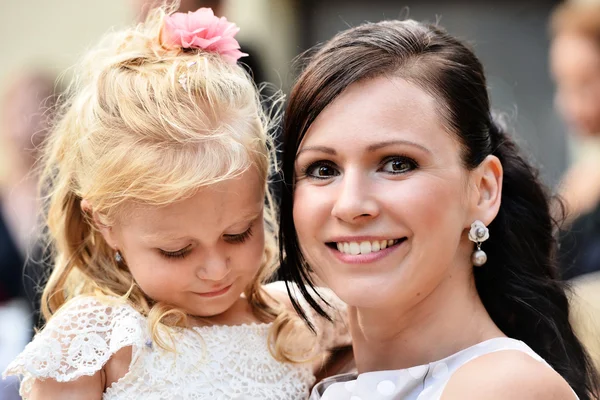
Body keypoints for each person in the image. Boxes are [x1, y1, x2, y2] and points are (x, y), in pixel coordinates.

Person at [2, 5, 349, 399]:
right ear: (105, 224)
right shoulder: (94, 340)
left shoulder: (297, 318)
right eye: (177, 251)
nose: (216, 269)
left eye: (238, 234)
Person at [277, 19, 599, 399]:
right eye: (323, 169)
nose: (350, 205)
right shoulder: (304, 368)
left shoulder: (504, 387)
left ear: (482, 190)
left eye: (397, 163)